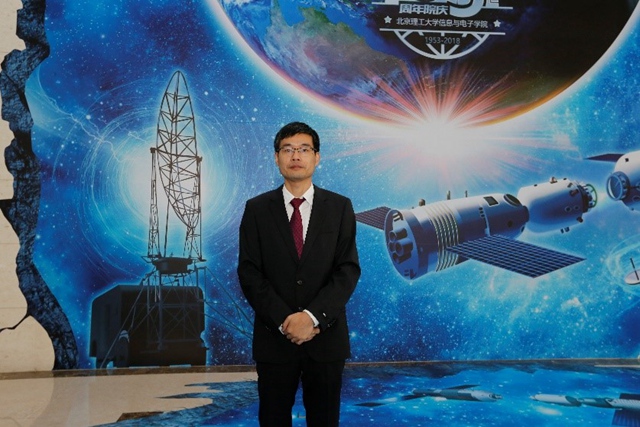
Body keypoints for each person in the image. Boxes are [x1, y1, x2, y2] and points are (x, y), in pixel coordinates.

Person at [237, 121, 361, 426]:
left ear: (317, 157)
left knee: (325, 420)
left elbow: (347, 270)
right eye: (288, 149)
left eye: (304, 149)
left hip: (325, 339)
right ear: (276, 157)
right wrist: (285, 321)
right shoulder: (256, 209)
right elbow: (250, 272)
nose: (296, 156)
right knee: (273, 419)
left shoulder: (340, 207)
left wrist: (312, 317)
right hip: (274, 341)